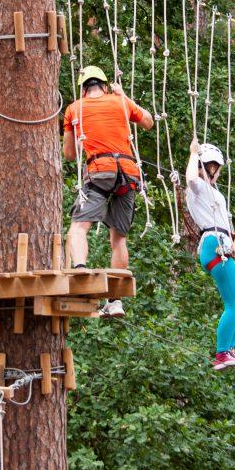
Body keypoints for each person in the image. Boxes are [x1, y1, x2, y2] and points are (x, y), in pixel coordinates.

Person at [62, 66, 154, 317]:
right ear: (104, 86)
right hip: (128, 172)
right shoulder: (120, 102)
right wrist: (124, 96)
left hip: (100, 170)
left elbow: (69, 154)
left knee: (79, 226)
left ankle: (80, 269)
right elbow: (148, 121)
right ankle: (115, 301)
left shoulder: (74, 109)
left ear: (83, 88)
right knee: (119, 239)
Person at [186, 139, 235, 371]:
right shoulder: (197, 186)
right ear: (202, 165)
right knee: (234, 302)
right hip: (213, 243)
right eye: (210, 166)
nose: (213, 171)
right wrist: (193, 155)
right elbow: (191, 178)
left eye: (216, 167)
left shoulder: (212, 191)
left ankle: (229, 350)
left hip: (223, 243)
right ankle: (222, 352)